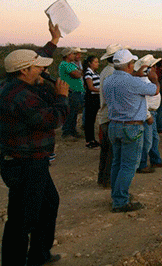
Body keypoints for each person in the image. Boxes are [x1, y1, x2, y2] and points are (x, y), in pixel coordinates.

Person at [0, 20, 67, 265]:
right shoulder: (21, 96)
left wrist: (54, 40)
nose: (42, 71)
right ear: (25, 70)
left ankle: (39, 254)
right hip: (24, 164)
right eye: (37, 68)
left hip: (30, 161)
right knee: (21, 220)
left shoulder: (14, 84)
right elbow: (52, 120)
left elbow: (39, 57)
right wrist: (61, 98)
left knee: (49, 203)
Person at [103, 49, 159, 212]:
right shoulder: (132, 82)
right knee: (128, 165)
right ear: (129, 65)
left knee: (117, 163)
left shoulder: (108, 80)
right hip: (131, 126)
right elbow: (154, 91)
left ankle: (117, 194)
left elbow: (126, 82)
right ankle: (120, 200)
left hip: (114, 124)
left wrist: (136, 75)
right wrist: (154, 79)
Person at [132, 55, 162, 173]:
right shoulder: (144, 80)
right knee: (147, 141)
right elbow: (143, 101)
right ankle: (142, 164)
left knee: (154, 138)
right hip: (148, 113)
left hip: (152, 112)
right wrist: (147, 115)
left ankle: (155, 159)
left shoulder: (147, 79)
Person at [97, 43, 125, 188]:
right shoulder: (112, 74)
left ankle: (102, 177)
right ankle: (108, 180)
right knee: (112, 153)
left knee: (106, 150)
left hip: (105, 115)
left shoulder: (106, 71)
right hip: (110, 116)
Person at [59, 47, 86, 139]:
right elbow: (77, 74)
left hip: (76, 92)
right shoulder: (65, 65)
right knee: (70, 113)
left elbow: (78, 73)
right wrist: (81, 72)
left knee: (74, 113)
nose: (75, 56)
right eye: (73, 54)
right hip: (71, 92)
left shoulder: (71, 64)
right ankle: (66, 132)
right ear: (68, 55)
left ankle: (72, 131)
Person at [83, 55, 101, 148]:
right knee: (89, 120)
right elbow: (90, 87)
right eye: (95, 62)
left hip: (96, 98)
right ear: (90, 63)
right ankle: (89, 141)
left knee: (92, 120)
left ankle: (92, 139)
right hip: (91, 98)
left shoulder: (95, 72)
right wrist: (101, 90)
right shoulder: (88, 73)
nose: (97, 64)